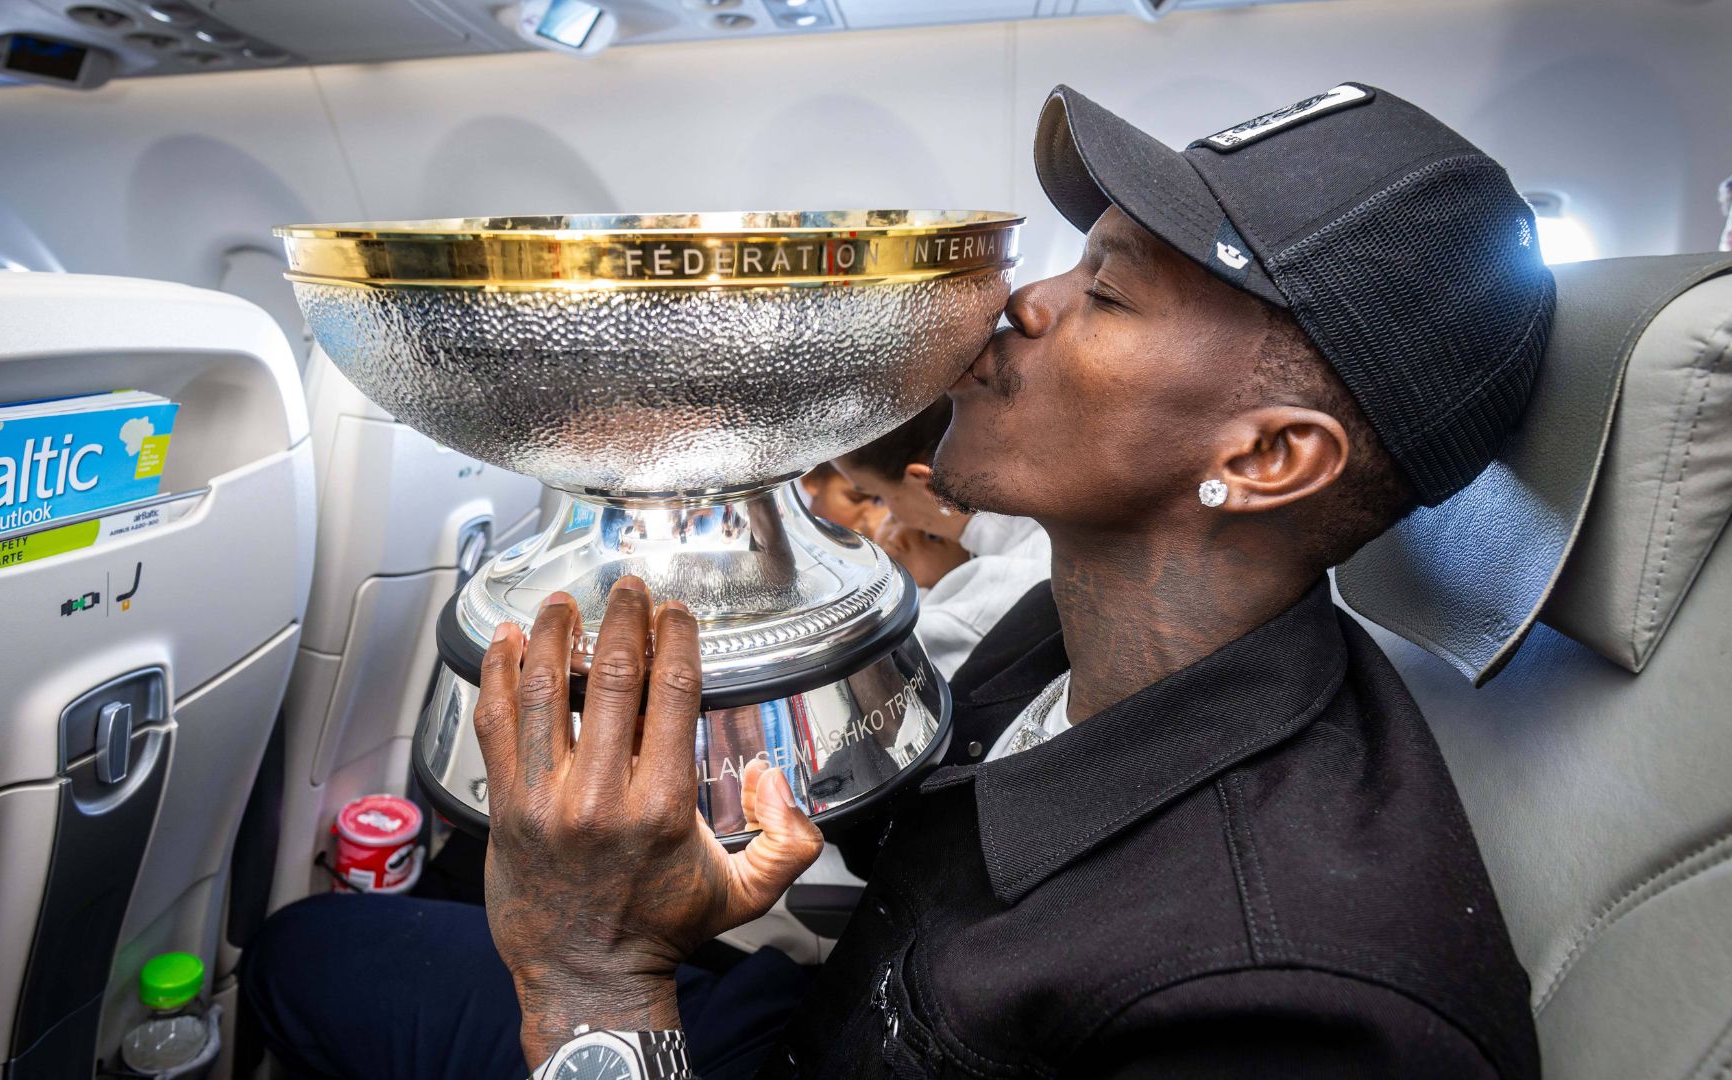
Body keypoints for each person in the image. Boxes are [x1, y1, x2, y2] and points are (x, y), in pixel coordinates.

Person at [244, 81, 1553, 1078]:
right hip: (845, 1013)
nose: (1019, 303)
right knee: (312, 947)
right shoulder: (1075, 628)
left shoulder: (1280, 1004)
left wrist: (596, 987)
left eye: (1108, 292)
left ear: (1267, 456)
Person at [833, 395, 1052, 678]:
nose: (889, 519)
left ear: (926, 485)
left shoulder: (987, 593)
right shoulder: (1044, 529)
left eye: (878, 496)